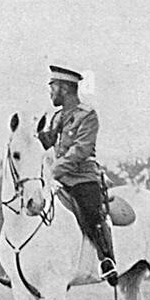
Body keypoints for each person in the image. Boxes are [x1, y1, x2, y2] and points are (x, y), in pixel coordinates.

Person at [41, 64, 117, 285]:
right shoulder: (56, 117)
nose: (50, 92)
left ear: (64, 88)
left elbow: (80, 150)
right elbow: (48, 141)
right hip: (59, 180)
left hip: (83, 179)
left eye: (53, 86)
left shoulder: (88, 115)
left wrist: (53, 171)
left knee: (91, 214)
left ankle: (106, 261)